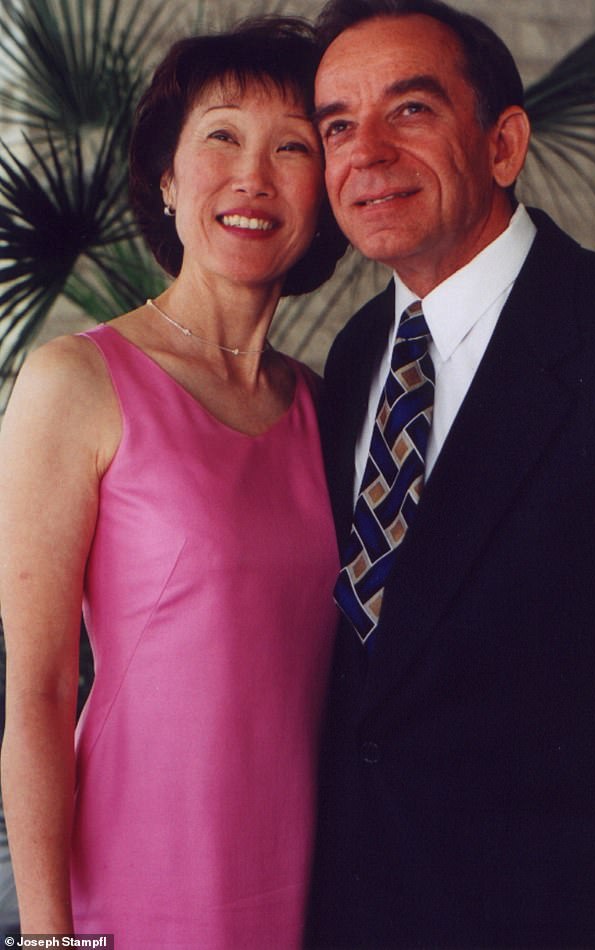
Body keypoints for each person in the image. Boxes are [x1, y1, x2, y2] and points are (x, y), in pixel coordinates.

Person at [0, 16, 347, 949]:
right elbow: (37, 691)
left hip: (310, 885)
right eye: (222, 136)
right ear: (167, 176)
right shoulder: (74, 382)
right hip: (134, 880)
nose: (253, 177)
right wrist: (46, 941)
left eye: (294, 147)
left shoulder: (330, 409)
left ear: (325, 195)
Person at [305, 1, 595, 947]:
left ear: (503, 143)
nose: (364, 153)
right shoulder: (361, 352)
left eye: (409, 110)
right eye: (335, 126)